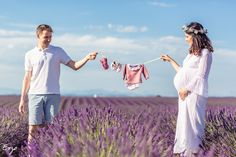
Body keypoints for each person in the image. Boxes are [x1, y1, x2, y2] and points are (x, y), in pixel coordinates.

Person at [18, 24, 98, 141]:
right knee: (33, 128)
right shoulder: (29, 54)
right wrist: (22, 99)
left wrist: (86, 58)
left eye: (50, 37)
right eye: (45, 37)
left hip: (53, 95)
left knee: (53, 129)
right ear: (38, 36)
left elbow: (74, 66)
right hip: (35, 94)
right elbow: (27, 77)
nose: (48, 39)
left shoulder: (58, 51)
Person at [160, 22, 213, 157]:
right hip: (185, 95)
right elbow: (183, 72)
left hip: (194, 94)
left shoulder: (205, 53)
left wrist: (186, 89)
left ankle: (196, 153)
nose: (185, 39)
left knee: (194, 124)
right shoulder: (191, 54)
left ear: (194, 36)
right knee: (185, 126)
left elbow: (201, 76)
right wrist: (170, 60)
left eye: (186, 36)